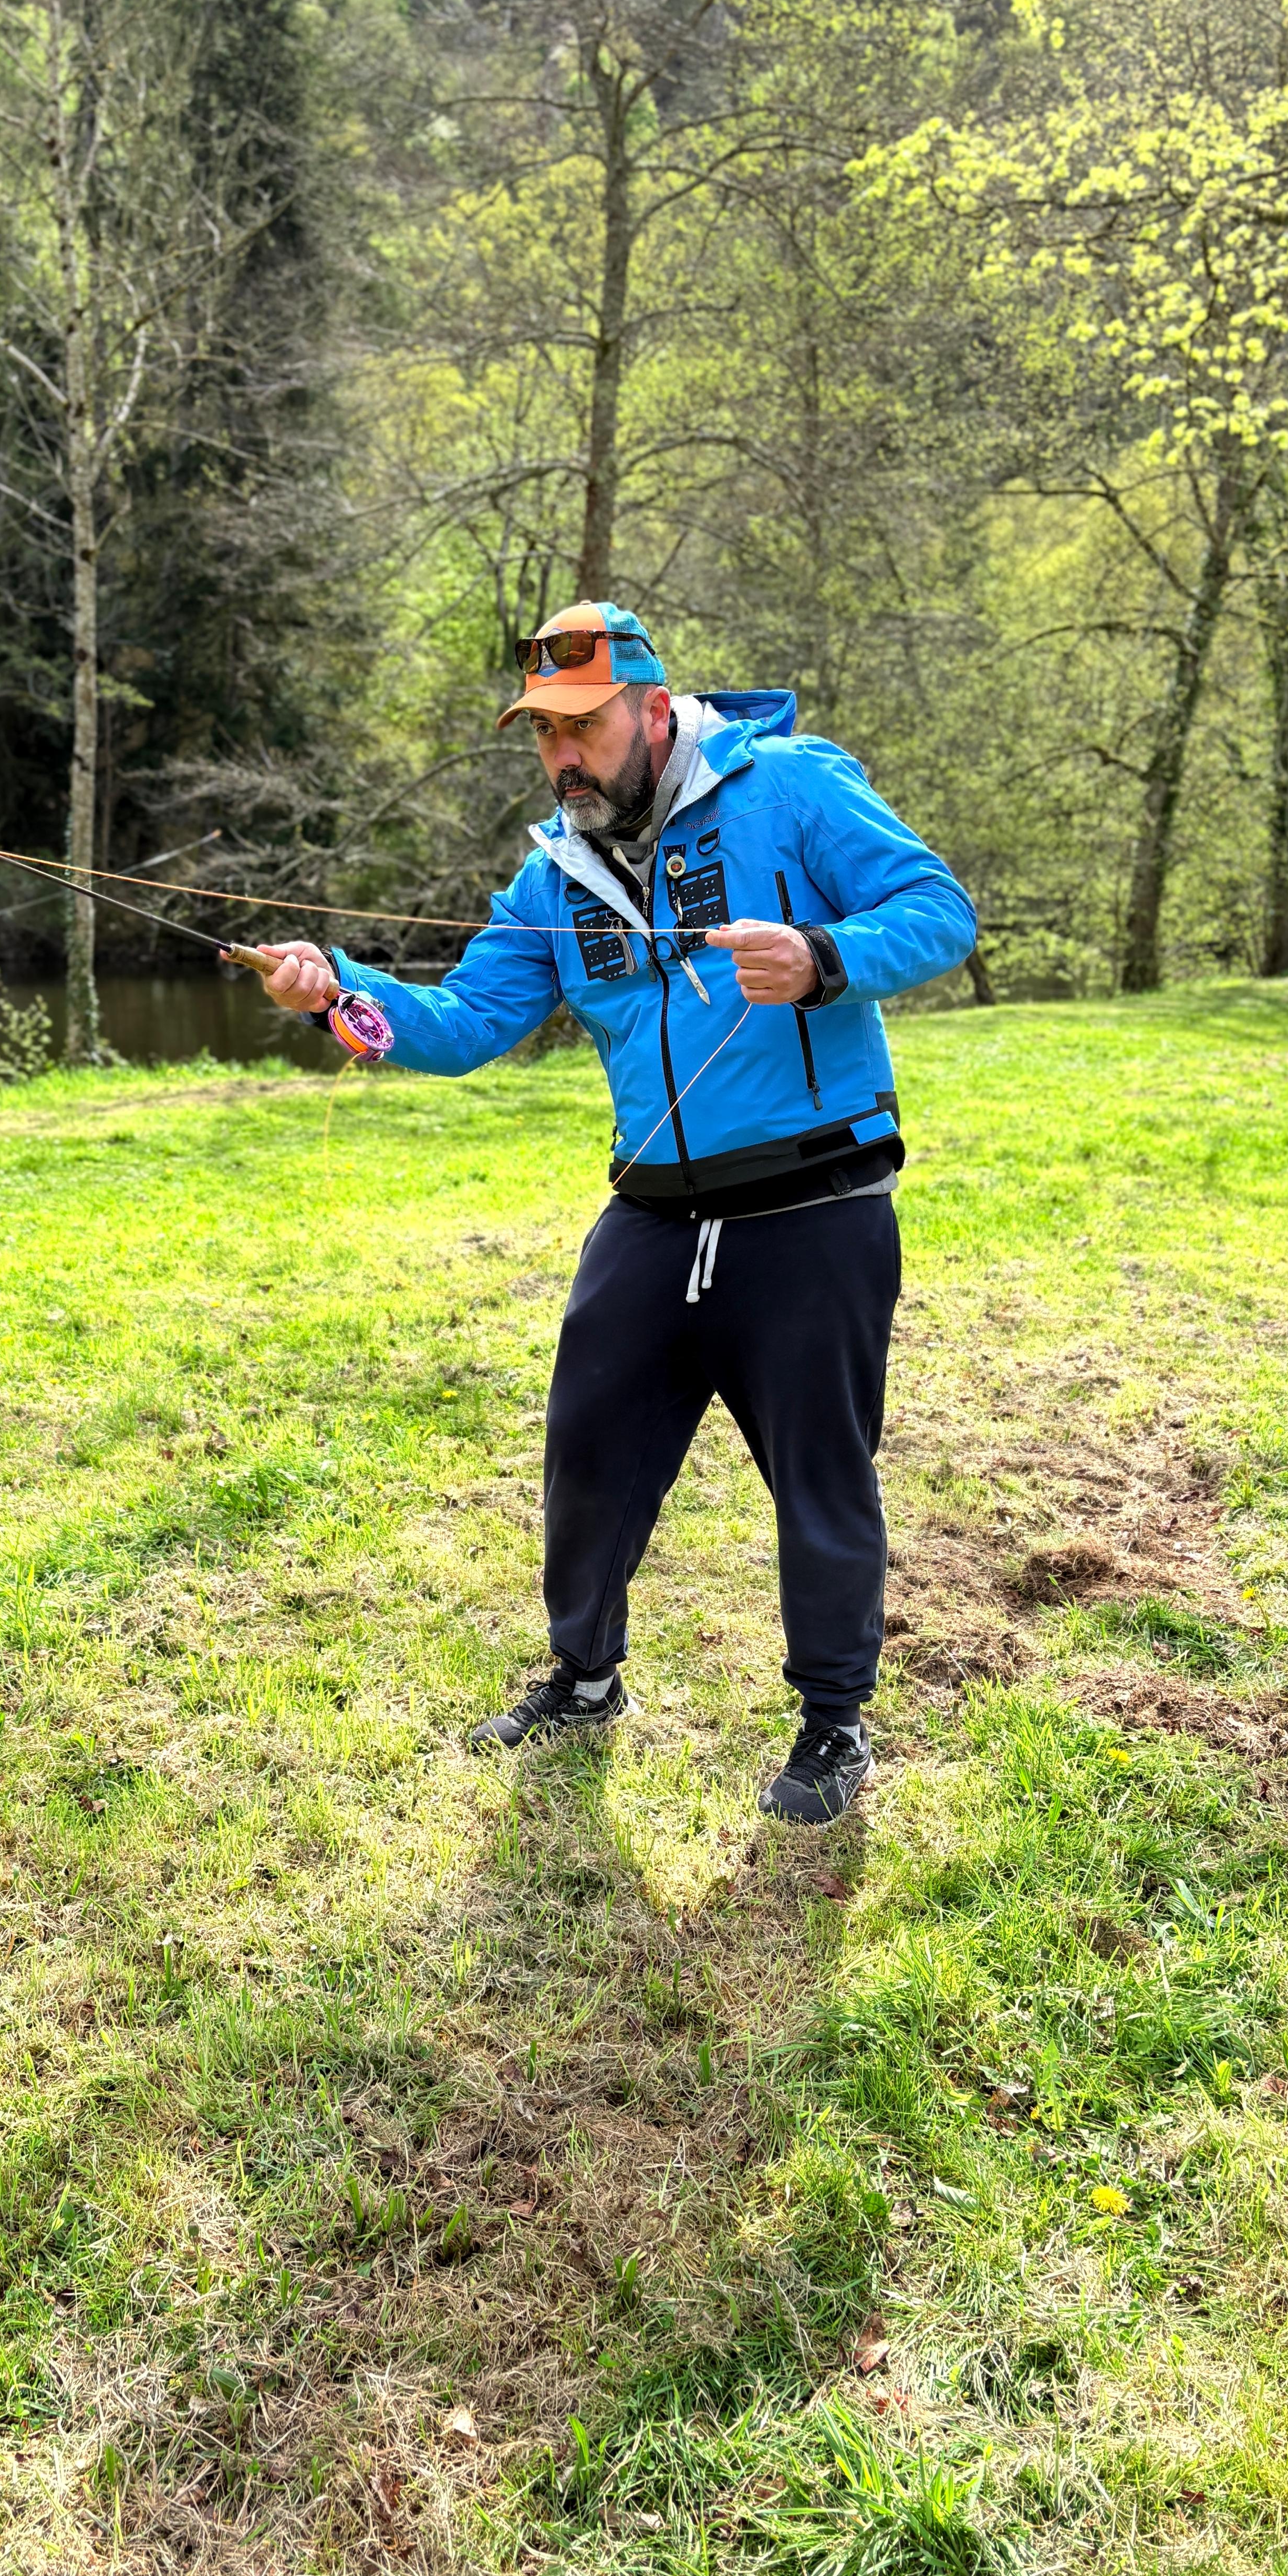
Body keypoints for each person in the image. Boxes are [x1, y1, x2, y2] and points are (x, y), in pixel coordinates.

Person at [255, 602, 976, 1822]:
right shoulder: (555, 873)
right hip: (651, 1214)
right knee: (587, 1450)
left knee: (820, 1477)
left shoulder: (792, 788)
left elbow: (941, 913)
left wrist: (821, 954)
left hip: (816, 1202)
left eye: (581, 728)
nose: (563, 758)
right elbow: (466, 1023)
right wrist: (339, 993)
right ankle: (585, 1679)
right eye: (544, 736)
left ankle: (833, 1728)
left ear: (651, 710)